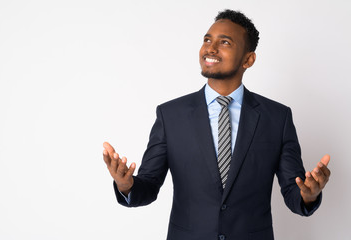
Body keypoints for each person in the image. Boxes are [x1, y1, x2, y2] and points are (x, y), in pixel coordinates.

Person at [102, 9, 331, 240]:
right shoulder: (170, 115)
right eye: (207, 40)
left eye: (225, 42)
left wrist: (309, 195)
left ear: (248, 59)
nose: (210, 48)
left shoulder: (277, 118)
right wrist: (126, 184)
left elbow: (294, 193)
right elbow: (148, 187)